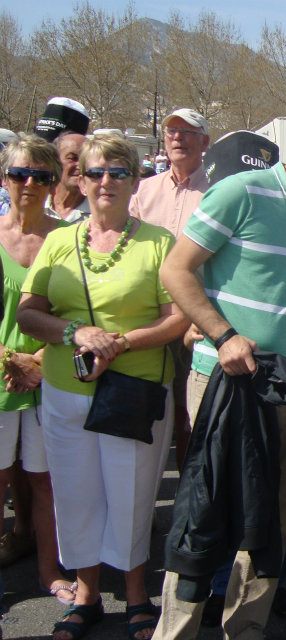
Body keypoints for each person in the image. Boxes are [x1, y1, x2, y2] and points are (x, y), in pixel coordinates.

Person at [154, 97, 286, 640]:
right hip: (220, 378)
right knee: (206, 511)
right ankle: (174, 632)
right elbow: (175, 270)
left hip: (283, 389)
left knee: (268, 519)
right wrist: (222, 334)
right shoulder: (238, 192)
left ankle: (245, 629)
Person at [17, 132, 188, 640]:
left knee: (132, 496)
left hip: (132, 392)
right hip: (66, 392)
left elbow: (177, 318)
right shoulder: (57, 241)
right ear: (80, 179)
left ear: (135, 179)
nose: (106, 181)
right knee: (76, 495)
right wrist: (77, 333)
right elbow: (29, 314)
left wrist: (121, 343)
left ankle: (137, 595)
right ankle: (86, 592)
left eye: (118, 172)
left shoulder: (159, 243)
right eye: (95, 172)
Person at [0, 135, 75, 604]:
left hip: (50, 377)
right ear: (4, 179)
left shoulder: (65, 239)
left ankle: (50, 571)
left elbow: (81, 309)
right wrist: (11, 361)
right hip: (5, 378)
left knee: (46, 482)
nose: (30, 184)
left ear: (54, 183)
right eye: (20, 174)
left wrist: (40, 363)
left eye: (41, 176)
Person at [130, 107, 211, 471]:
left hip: (193, 318)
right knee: (141, 406)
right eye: (171, 131)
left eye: (186, 132)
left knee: (187, 414)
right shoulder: (143, 191)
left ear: (204, 142)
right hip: (148, 315)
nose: (177, 138)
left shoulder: (216, 192)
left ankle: (185, 497)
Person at [48, 132, 89, 223]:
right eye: (72, 158)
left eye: (85, 159)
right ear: (54, 161)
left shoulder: (98, 214)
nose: (80, 165)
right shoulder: (37, 204)